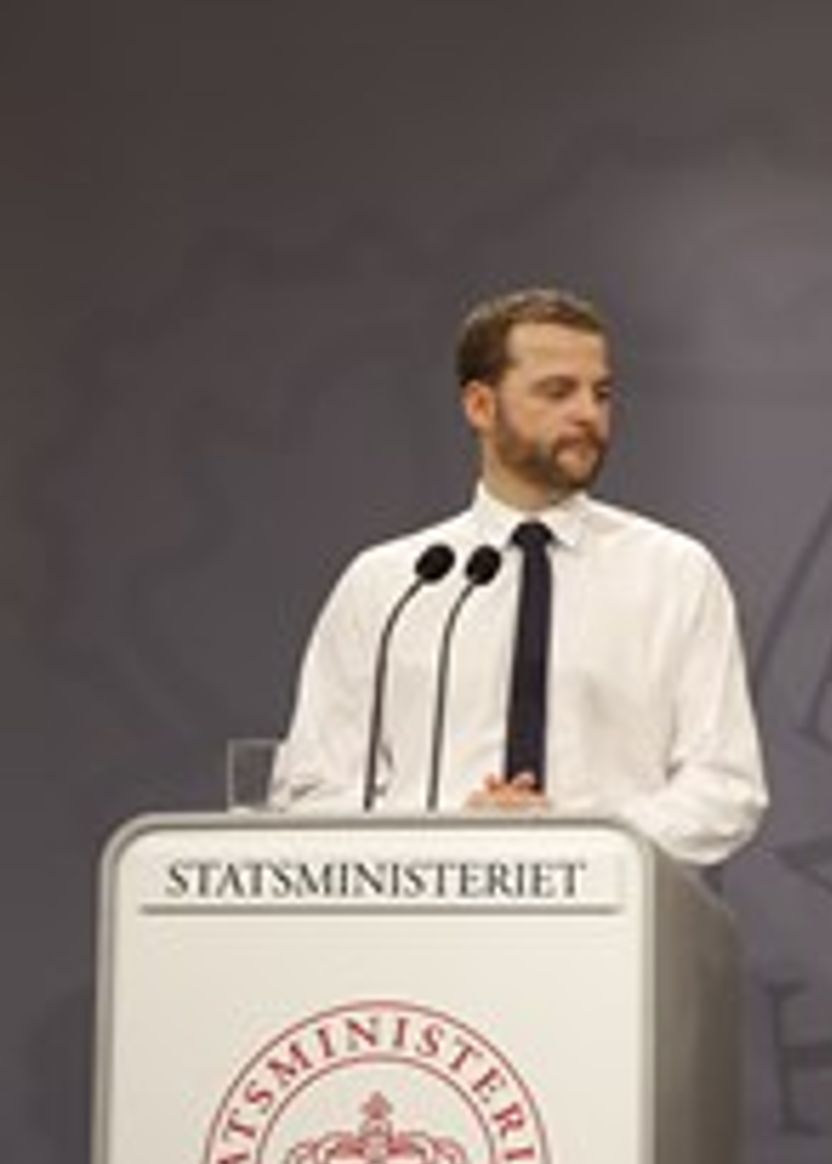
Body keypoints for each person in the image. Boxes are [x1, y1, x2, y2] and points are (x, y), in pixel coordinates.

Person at [274, 287, 767, 865]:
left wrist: (575, 842)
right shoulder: (390, 585)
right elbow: (312, 790)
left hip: (611, 911)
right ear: (481, 406)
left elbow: (725, 788)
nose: (588, 413)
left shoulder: (675, 572)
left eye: (601, 393)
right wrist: (453, 836)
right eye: (558, 391)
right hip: (425, 910)